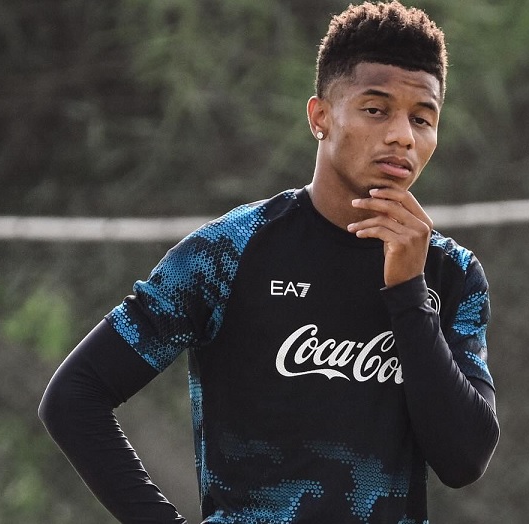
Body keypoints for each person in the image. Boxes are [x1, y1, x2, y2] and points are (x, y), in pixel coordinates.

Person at [39, 1, 499, 522]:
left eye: (422, 118)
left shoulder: (451, 275)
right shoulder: (232, 251)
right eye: (376, 110)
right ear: (320, 117)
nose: (402, 136)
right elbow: (75, 397)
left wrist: (409, 294)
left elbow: (463, 460)